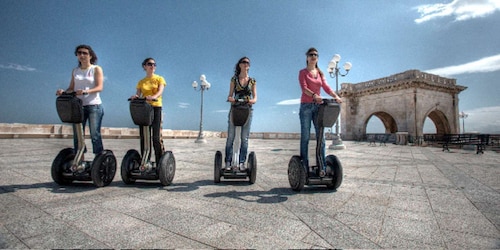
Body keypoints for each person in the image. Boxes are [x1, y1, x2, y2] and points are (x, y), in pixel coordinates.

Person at [298, 47, 342, 174]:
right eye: (311, 54)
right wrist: (314, 96)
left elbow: (326, 87)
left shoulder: (320, 73)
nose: (313, 56)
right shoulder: (303, 72)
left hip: (319, 107)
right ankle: (304, 166)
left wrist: (335, 96)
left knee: (321, 137)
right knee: (305, 136)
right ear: (307, 57)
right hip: (306, 106)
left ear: (317, 58)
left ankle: (322, 167)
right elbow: (304, 88)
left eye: (316, 55)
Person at [56, 44, 105, 157]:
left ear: (90, 56)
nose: (82, 55)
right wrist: (63, 92)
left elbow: (99, 87)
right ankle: (79, 159)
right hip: (78, 106)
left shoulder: (96, 69)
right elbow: (71, 88)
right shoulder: (75, 71)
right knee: (78, 135)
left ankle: (99, 160)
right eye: (79, 53)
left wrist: (85, 91)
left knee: (95, 134)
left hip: (94, 106)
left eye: (85, 53)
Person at [130, 58, 166, 165]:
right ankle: (146, 160)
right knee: (144, 136)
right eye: (150, 64)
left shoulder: (159, 78)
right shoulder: (141, 82)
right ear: (144, 66)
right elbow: (138, 94)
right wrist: (135, 97)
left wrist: (153, 96)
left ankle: (160, 161)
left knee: (156, 137)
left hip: (156, 108)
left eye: (154, 64)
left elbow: (160, 91)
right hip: (144, 109)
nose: (152, 66)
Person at [225, 57, 258, 171]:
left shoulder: (252, 81)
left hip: (247, 110)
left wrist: (252, 101)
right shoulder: (234, 79)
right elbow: (230, 95)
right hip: (235, 109)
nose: (246, 64)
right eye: (244, 62)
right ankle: (228, 162)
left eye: (248, 63)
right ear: (239, 65)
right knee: (231, 137)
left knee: (244, 138)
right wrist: (231, 99)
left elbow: (255, 97)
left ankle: (242, 162)